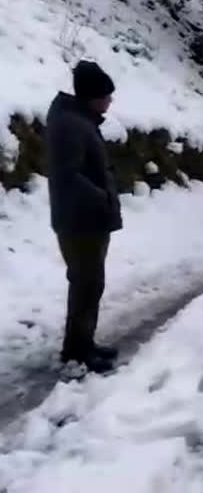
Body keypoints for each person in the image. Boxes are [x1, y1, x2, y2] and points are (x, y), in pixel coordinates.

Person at [45, 60, 123, 373]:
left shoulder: (78, 121)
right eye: (106, 94)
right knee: (86, 284)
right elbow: (69, 174)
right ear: (93, 96)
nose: (110, 100)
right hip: (81, 221)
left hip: (84, 219)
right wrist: (101, 198)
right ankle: (77, 352)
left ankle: (83, 343)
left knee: (89, 284)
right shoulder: (72, 125)